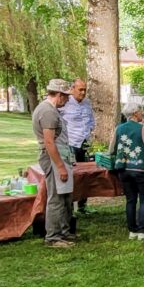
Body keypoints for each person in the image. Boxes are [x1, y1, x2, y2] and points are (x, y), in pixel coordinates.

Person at [32, 79, 75, 248]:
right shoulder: (48, 111)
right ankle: (53, 237)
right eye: (65, 96)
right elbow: (49, 142)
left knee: (64, 196)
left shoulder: (51, 109)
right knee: (56, 197)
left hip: (60, 156)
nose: (67, 99)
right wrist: (60, 166)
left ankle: (64, 232)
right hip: (53, 158)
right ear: (58, 95)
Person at [110, 102, 144, 240]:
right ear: (135, 113)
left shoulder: (119, 129)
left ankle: (132, 231)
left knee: (130, 200)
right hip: (141, 169)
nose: (142, 113)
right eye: (141, 111)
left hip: (124, 169)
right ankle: (142, 231)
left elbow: (111, 150)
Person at [60, 78, 95, 215]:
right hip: (71, 143)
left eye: (85, 90)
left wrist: (91, 129)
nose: (83, 92)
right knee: (72, 175)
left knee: (85, 175)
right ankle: (69, 207)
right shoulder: (66, 103)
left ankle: (82, 205)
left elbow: (91, 119)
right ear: (72, 89)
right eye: (80, 89)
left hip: (85, 143)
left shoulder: (87, 103)